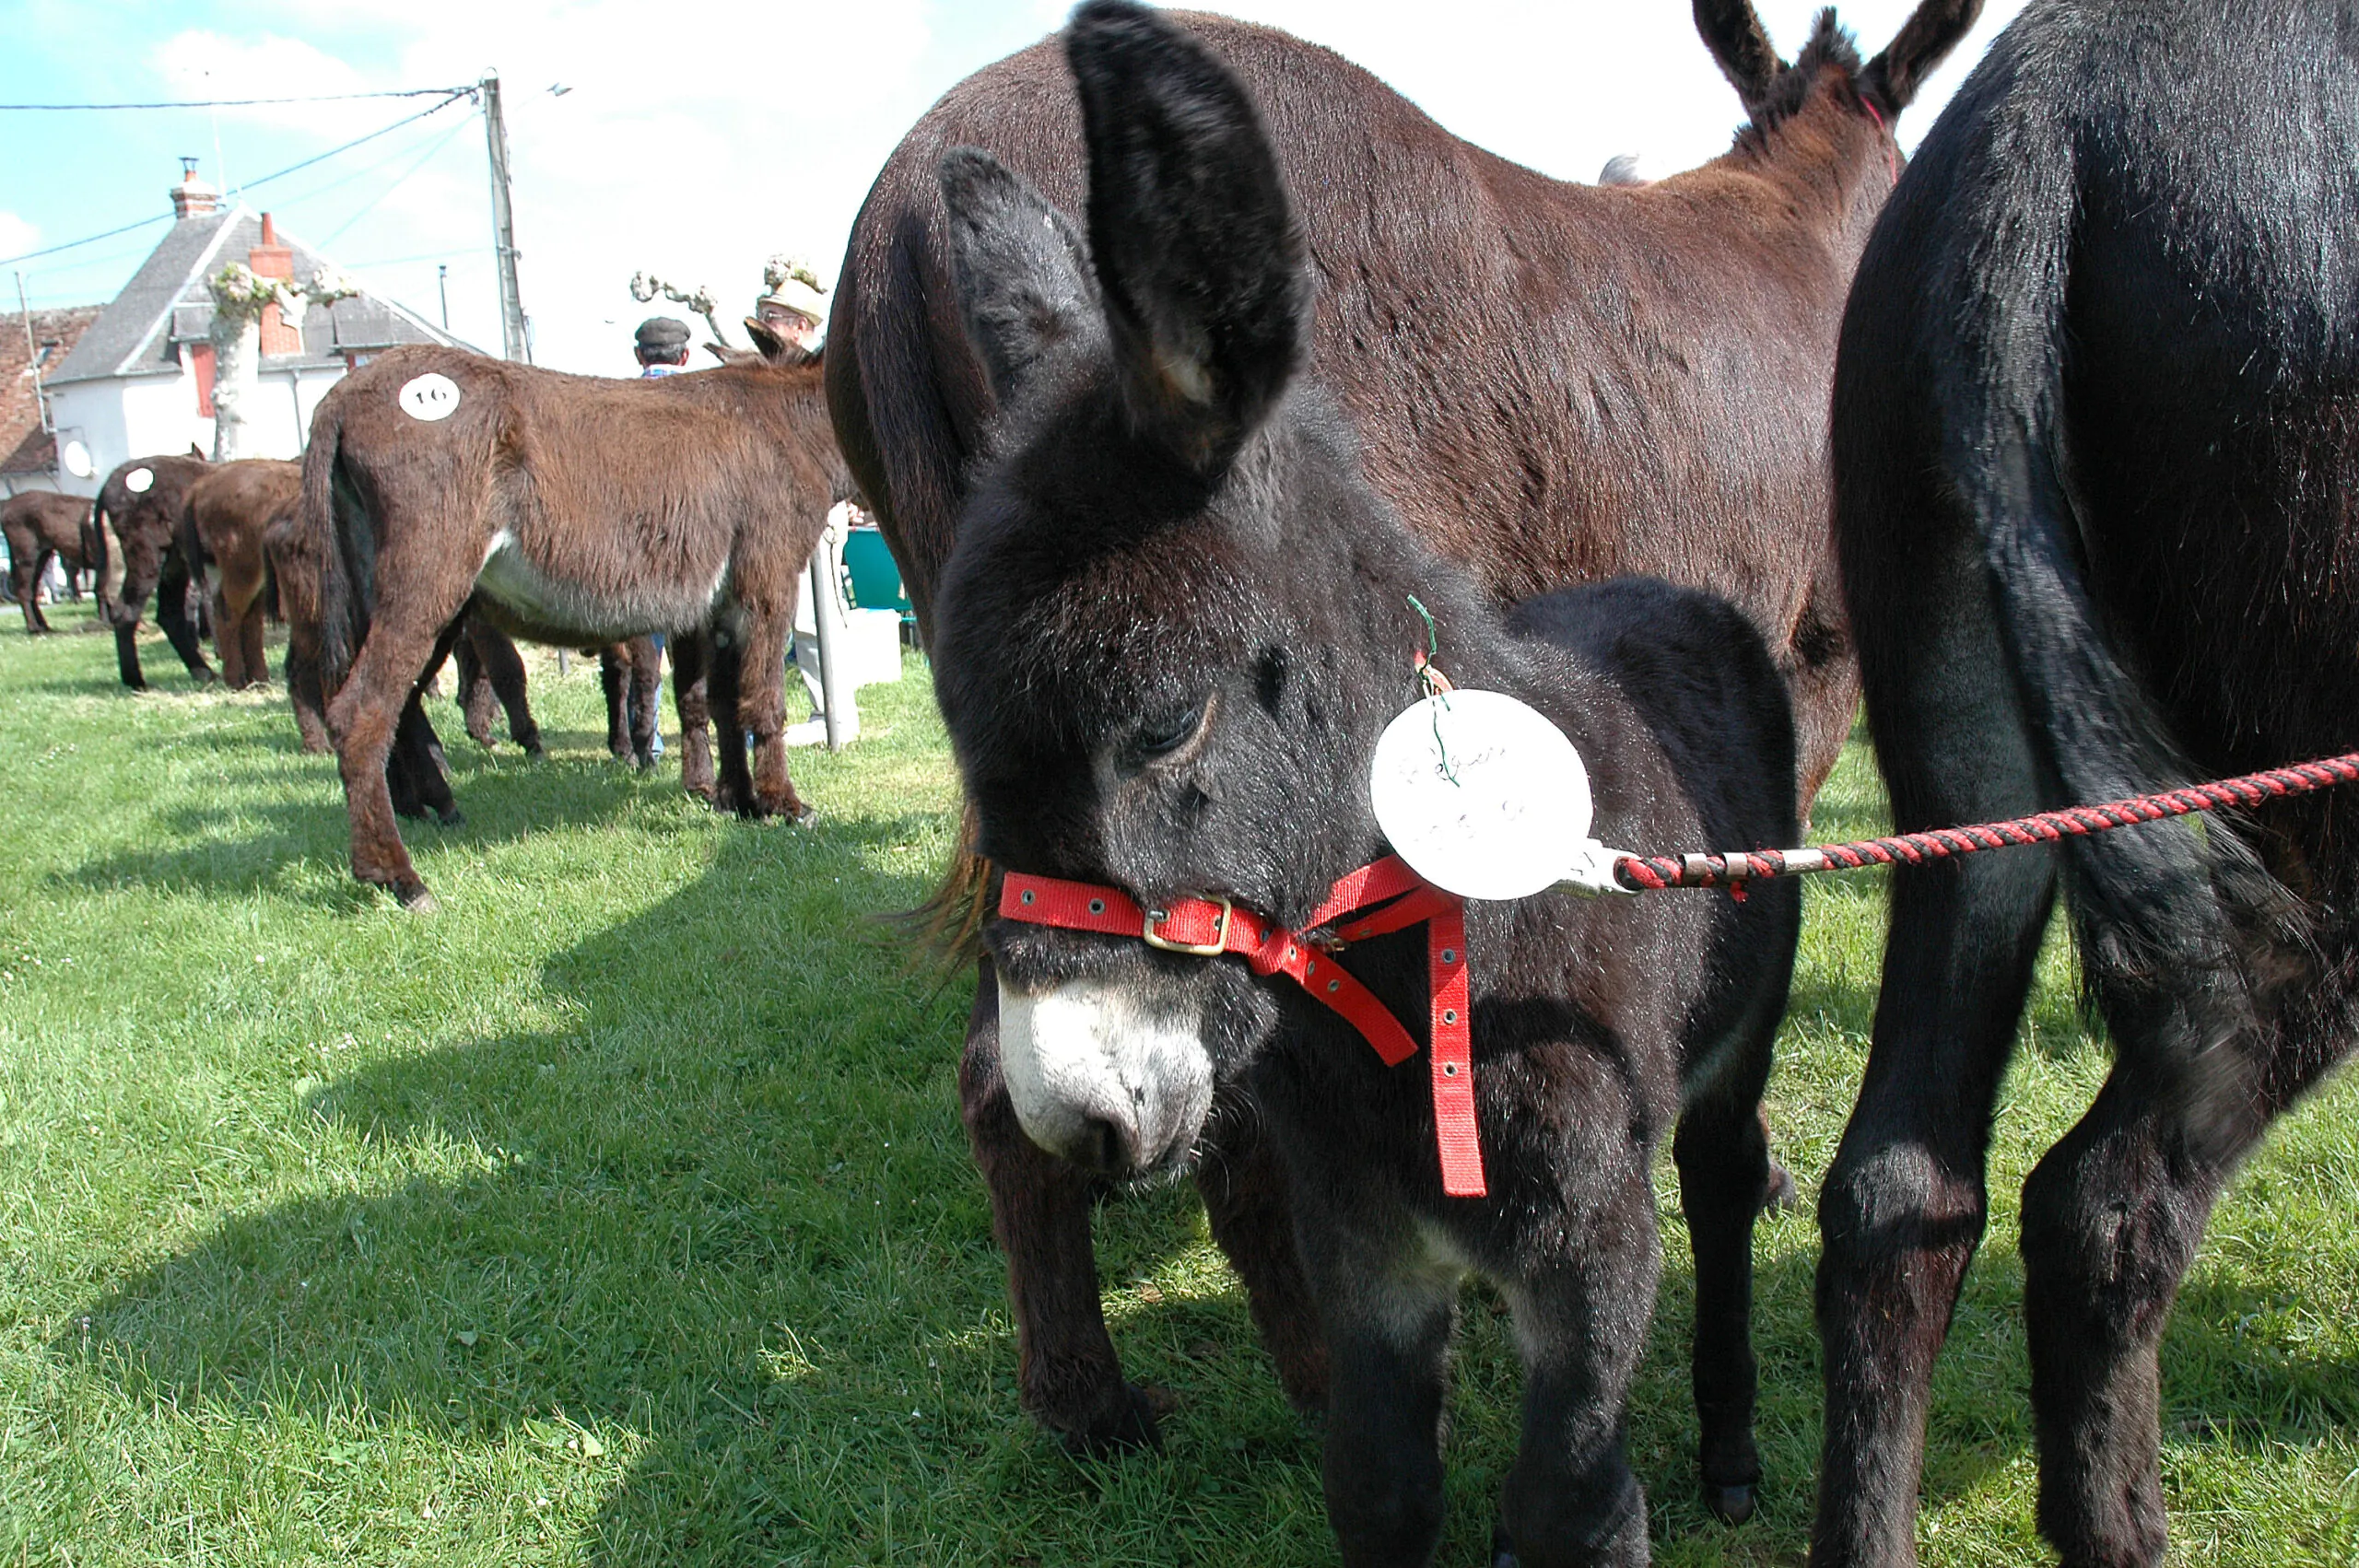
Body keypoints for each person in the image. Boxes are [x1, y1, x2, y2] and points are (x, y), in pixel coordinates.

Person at [628, 315, 694, 754]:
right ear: (685, 356)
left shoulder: (621, 404)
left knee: (643, 656)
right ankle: (734, 739)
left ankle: (646, 743)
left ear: (638, 356)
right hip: (693, 545)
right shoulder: (700, 405)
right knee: (706, 651)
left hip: (637, 545)